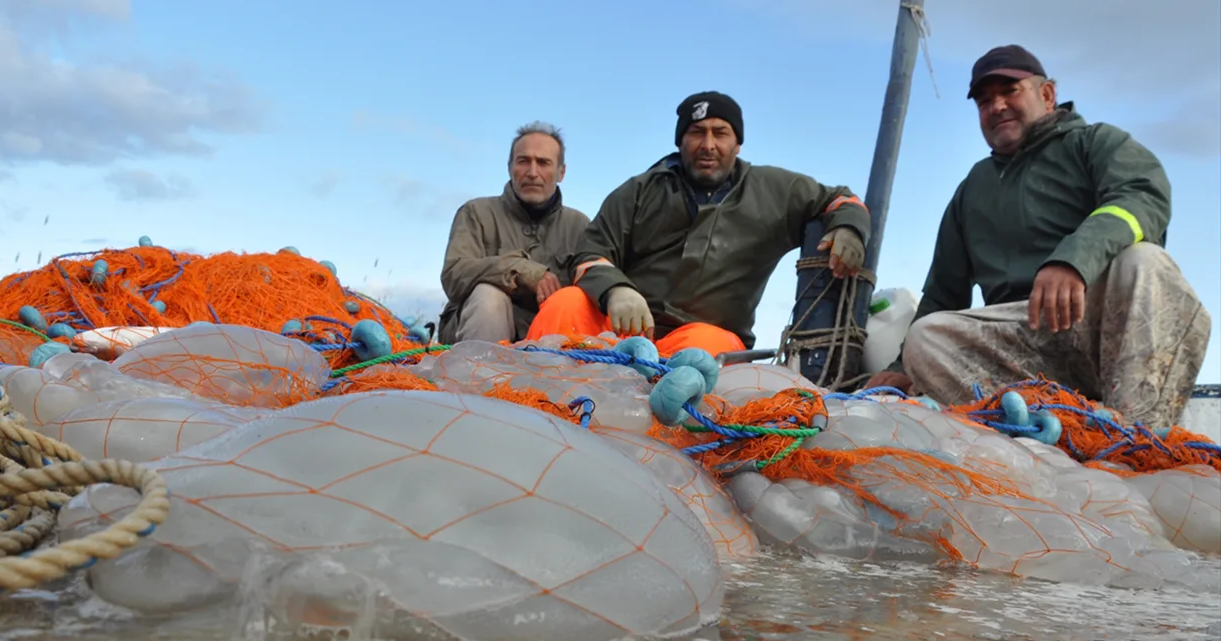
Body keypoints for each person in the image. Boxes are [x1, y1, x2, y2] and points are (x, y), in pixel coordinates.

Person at [866, 45, 1211, 429]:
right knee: (926, 337)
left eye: (1009, 91)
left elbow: (1142, 197)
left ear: (1047, 94)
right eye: (984, 101)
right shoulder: (972, 189)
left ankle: (1133, 436)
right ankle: (1045, 428)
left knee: (1144, 261)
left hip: (1102, 326)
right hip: (1022, 342)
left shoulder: (1095, 143)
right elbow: (943, 295)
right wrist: (902, 366)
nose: (996, 106)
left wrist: (1073, 261)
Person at [525, 91, 871, 358]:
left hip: (705, 337)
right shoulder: (639, 190)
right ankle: (534, 400)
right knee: (567, 302)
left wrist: (849, 228)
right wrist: (615, 289)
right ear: (680, 141)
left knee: (703, 353)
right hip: (623, 327)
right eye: (696, 132)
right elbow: (590, 252)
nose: (708, 145)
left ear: (737, 143)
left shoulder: (776, 190)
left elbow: (841, 199)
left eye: (720, 133)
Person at [438, 122, 591, 344]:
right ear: (509, 167)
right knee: (488, 296)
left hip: (549, 338)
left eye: (543, 163)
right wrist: (523, 271)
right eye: (523, 161)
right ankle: (480, 367)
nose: (532, 173)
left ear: (561, 172)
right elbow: (454, 274)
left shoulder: (580, 225)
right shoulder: (476, 212)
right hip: (477, 333)